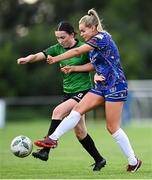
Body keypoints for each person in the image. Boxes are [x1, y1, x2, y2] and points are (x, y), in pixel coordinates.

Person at [34, 9, 142, 172]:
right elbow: (97, 65)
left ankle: (133, 161)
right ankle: (52, 139)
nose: (82, 34)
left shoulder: (101, 38)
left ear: (93, 28)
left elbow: (77, 51)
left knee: (112, 127)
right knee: (77, 110)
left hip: (116, 86)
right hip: (102, 86)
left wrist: (56, 58)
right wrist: (94, 73)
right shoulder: (92, 44)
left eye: (84, 31)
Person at [17, 21, 106, 171]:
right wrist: (27, 58)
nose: (60, 41)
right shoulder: (57, 49)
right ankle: (99, 159)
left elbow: (94, 66)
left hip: (83, 91)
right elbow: (39, 55)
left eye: (63, 37)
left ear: (72, 35)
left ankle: (45, 151)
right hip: (68, 92)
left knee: (58, 111)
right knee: (80, 132)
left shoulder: (84, 47)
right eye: (57, 38)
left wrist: (74, 69)